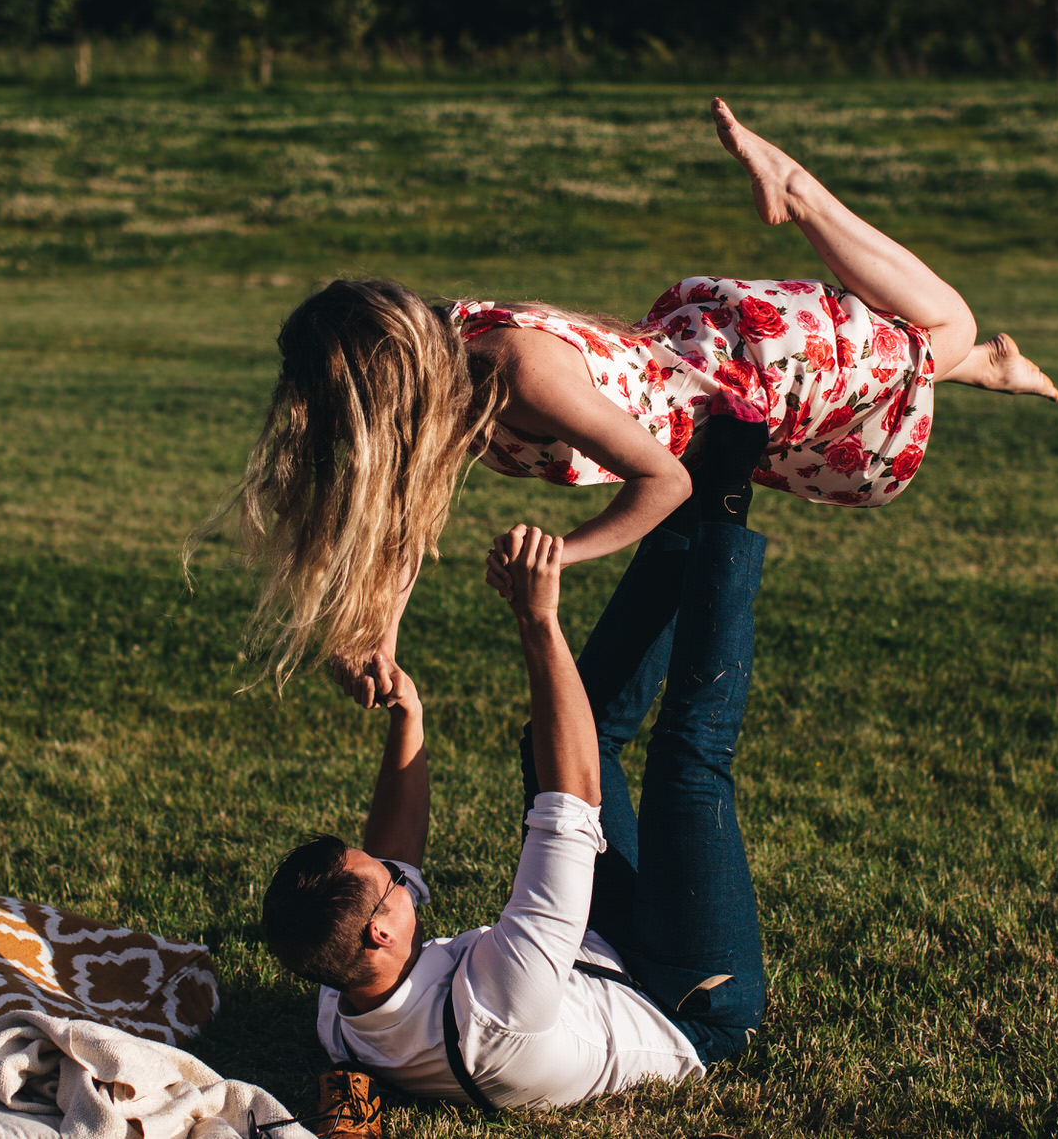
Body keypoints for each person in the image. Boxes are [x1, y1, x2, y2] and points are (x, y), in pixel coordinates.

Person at [208, 98, 1057, 697]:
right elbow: (401, 520)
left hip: (757, 362)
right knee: (914, 359)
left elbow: (668, 483)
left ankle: (798, 192)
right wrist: (378, 640)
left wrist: (563, 556)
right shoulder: (439, 390)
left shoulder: (514, 368)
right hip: (697, 385)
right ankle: (978, 365)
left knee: (943, 322)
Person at [260, 426, 771, 1110]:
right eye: (389, 883)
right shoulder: (499, 1003)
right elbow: (570, 799)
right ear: (379, 931)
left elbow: (393, 853)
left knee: (554, 740)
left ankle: (675, 505)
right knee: (686, 758)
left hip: (604, 951)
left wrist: (406, 714)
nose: (400, 870)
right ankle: (728, 487)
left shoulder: (342, 1006)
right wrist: (539, 620)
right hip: (687, 1000)